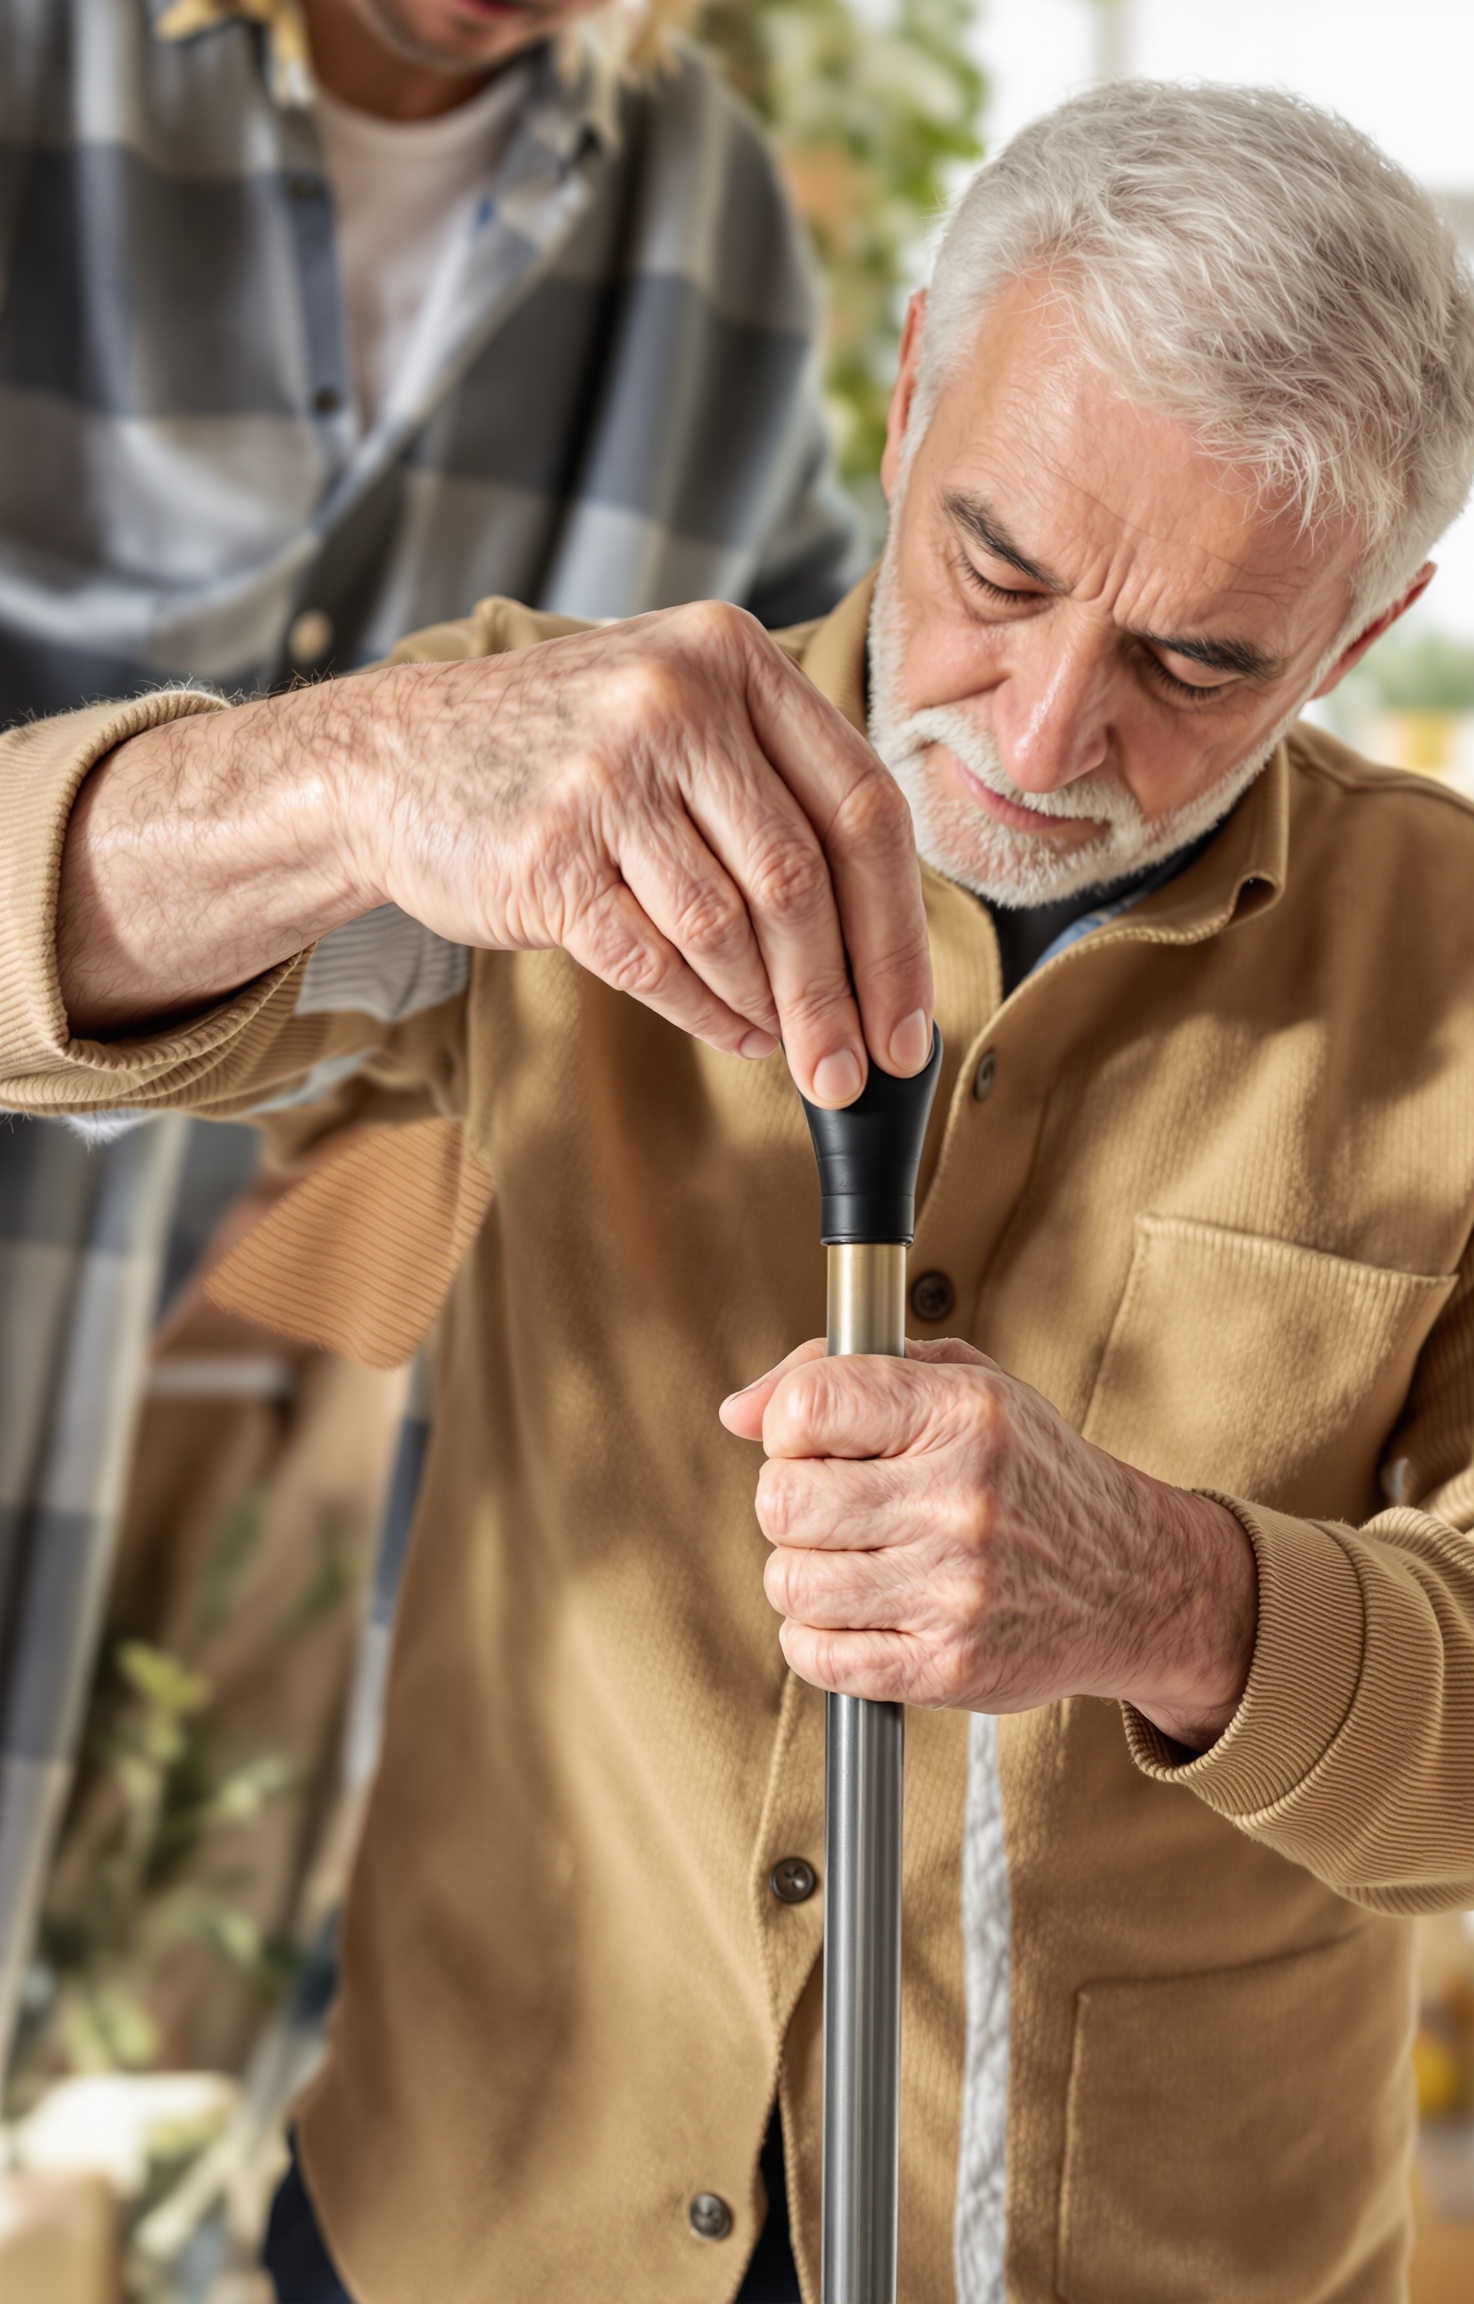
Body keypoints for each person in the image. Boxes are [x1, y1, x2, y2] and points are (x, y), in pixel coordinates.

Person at [0, 79, 1474, 2304]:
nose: (1034, 738)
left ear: (1361, 632)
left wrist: (1178, 1600)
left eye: (1195, 664)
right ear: (916, 379)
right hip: (467, 2224)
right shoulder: (570, 761)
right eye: (994, 572)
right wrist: (338, 778)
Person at [0, 0, 856, 2061]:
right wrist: (351, 769)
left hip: (332, 1342)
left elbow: (837, 710)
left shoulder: (702, 220)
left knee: (196, 2110)